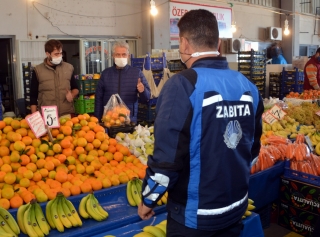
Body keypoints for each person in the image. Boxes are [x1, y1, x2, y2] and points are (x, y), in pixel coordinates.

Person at [138, 9, 263, 237]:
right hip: (236, 207)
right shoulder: (248, 86)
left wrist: (148, 199)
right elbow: (253, 151)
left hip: (195, 218)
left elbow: (167, 159)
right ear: (219, 43)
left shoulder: (182, 86)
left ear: (184, 44)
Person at [94, 41, 150, 123]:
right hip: (109, 120)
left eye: (123, 54)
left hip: (129, 120)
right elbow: (98, 98)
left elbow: (146, 98)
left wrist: (143, 91)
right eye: (118, 54)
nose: (121, 57)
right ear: (113, 56)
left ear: (128, 56)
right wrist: (97, 120)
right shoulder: (106, 74)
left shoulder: (136, 73)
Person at [30, 39, 79, 117]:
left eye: (60, 53)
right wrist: (34, 116)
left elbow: (75, 88)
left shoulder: (69, 68)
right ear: (47, 54)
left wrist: (72, 95)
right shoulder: (38, 71)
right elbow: (33, 95)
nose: (59, 56)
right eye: (56, 54)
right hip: (47, 115)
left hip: (66, 113)